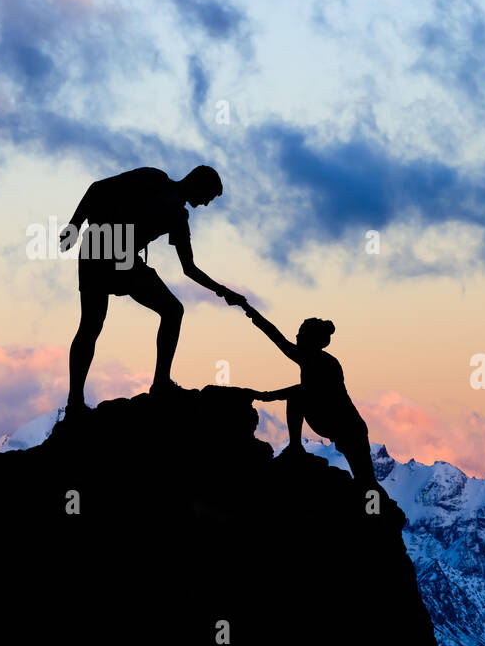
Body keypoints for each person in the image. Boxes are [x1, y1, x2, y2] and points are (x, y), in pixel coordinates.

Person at [61, 165, 245, 414]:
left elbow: (189, 268)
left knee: (172, 310)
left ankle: (160, 384)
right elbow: (97, 189)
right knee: (91, 324)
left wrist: (222, 290)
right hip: (100, 245)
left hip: (124, 258)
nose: (205, 204)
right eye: (208, 197)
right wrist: (74, 226)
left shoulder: (180, 218)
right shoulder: (153, 178)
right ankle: (75, 403)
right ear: (197, 183)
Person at [239, 304, 383, 495]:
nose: (296, 337)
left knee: (367, 481)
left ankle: (375, 514)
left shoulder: (326, 364)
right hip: (330, 421)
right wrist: (247, 309)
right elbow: (274, 335)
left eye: (301, 333)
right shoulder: (308, 357)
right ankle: (296, 447)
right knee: (365, 481)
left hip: (349, 429)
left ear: (312, 340)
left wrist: (265, 396)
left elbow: (303, 390)